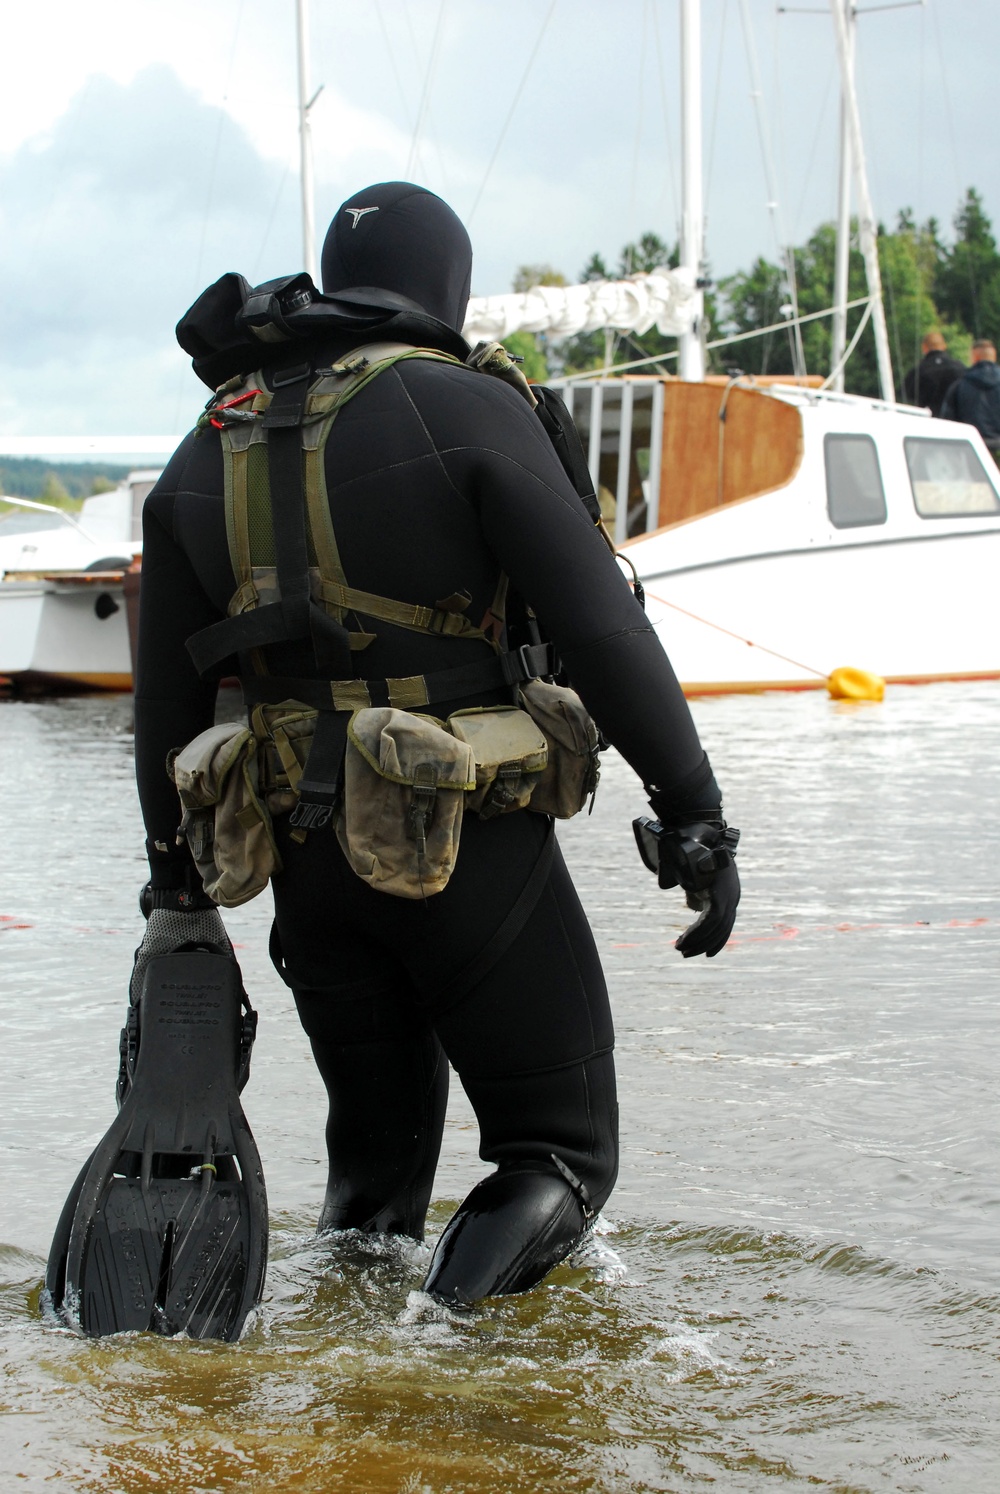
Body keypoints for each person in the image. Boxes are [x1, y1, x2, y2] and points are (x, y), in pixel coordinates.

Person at [130, 182, 740, 1307]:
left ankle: (347, 1384)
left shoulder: (212, 434)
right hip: (465, 858)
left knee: (372, 1178)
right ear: (445, 286)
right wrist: (693, 810)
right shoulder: (457, 405)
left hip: (306, 873)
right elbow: (602, 623)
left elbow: (163, 703)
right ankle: (437, 1367)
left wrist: (177, 890)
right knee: (556, 1157)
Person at [940, 339, 1000, 461]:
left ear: (975, 358)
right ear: (994, 357)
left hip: (971, 450)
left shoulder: (959, 386)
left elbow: (947, 421)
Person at [902, 331, 965, 417]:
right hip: (954, 421)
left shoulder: (917, 372)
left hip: (929, 421)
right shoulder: (960, 368)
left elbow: (907, 393)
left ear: (924, 347)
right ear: (944, 346)